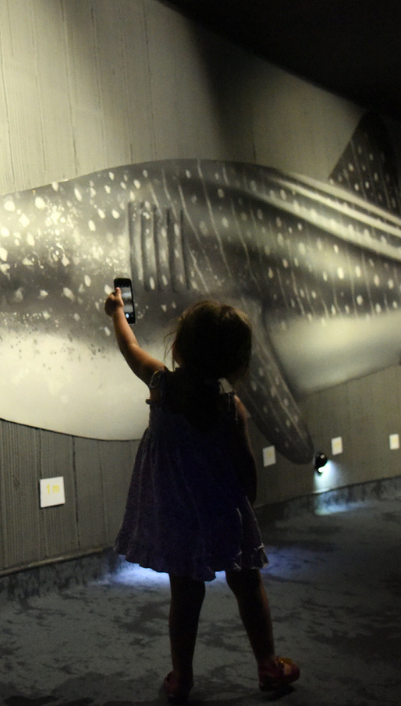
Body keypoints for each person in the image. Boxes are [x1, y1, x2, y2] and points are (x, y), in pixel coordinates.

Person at [103, 289, 299, 703]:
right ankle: (268, 664)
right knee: (248, 585)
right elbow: (246, 471)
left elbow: (129, 345)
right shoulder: (231, 409)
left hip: (177, 515)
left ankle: (182, 677)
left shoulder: (159, 383)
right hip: (222, 512)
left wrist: (117, 311)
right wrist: (247, 502)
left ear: (177, 346)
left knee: (185, 597)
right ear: (236, 362)